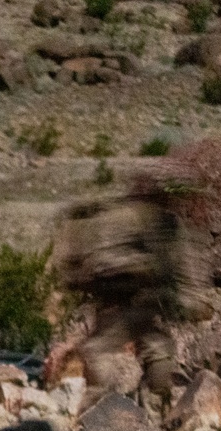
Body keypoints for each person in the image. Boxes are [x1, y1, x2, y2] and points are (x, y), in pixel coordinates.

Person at [52, 159, 212, 417]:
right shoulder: (126, 219)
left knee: (161, 358)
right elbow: (102, 264)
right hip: (118, 305)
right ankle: (88, 427)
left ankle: (151, 425)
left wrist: (190, 302)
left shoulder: (171, 227)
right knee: (101, 358)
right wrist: (141, 269)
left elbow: (185, 278)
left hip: (147, 308)